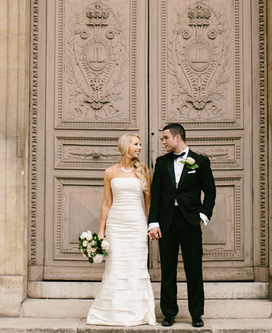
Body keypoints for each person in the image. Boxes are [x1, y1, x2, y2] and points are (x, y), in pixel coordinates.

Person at [148, 123, 216, 328]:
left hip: (190, 222)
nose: (163, 142)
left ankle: (196, 314)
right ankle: (168, 313)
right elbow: (156, 195)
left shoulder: (201, 161)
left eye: (165, 138)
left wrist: (203, 216)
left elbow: (210, 192)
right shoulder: (161, 162)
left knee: (193, 269)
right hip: (167, 222)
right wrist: (153, 222)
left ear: (178, 138)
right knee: (167, 269)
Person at [85, 134, 156, 326]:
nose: (139, 147)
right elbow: (106, 203)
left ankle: (138, 312)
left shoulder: (143, 171)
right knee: (116, 267)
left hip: (136, 225)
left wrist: (151, 225)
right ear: (125, 146)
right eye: (136, 144)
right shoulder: (109, 172)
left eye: (140, 144)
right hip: (116, 225)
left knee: (135, 267)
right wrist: (101, 231)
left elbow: (148, 203)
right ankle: (112, 313)